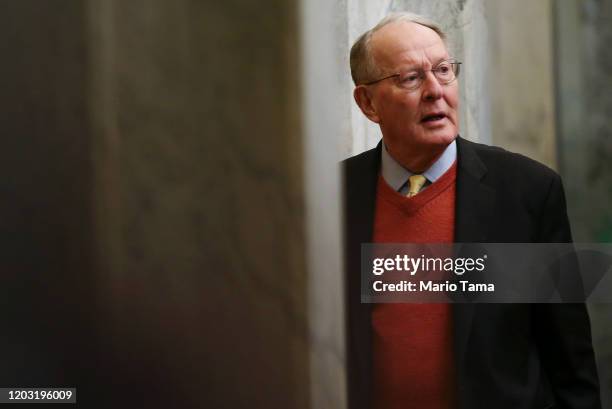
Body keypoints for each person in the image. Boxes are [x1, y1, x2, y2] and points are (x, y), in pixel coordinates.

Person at [343, 12, 601, 409]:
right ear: (368, 103)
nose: (435, 90)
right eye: (411, 78)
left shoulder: (525, 191)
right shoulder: (336, 196)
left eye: (444, 71)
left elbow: (569, 359)